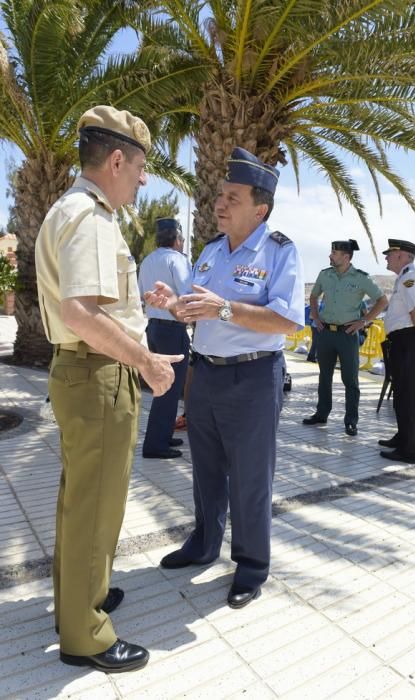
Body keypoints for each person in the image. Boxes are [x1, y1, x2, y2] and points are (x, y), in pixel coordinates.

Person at [35, 106, 183, 673]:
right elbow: (81, 312)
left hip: (85, 373)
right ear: (117, 160)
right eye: (141, 167)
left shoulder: (72, 211)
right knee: (95, 508)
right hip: (97, 376)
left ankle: (80, 598)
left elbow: (95, 306)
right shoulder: (90, 217)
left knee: (82, 502)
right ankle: (86, 635)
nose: (144, 180)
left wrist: (144, 318)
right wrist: (146, 361)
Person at [144, 147, 304, 609]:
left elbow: (288, 320)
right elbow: (197, 310)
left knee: (250, 477)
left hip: (254, 377)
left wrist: (225, 308)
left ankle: (251, 565)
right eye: (219, 195)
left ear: (260, 208)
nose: (219, 203)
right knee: (206, 469)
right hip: (207, 374)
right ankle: (204, 544)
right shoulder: (212, 252)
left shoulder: (279, 251)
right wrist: (172, 303)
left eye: (232, 197)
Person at [302, 240, 387, 436]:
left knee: (350, 380)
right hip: (325, 334)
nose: (330, 256)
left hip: (347, 335)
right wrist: (315, 315)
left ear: (346, 257)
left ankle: (351, 421)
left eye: (334, 253)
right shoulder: (325, 274)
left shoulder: (361, 278)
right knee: (324, 377)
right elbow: (314, 296)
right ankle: (321, 414)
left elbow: (382, 300)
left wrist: (364, 321)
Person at [378, 239, 415, 464]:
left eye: (389, 254)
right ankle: (402, 437)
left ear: (402, 256)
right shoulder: (406, 278)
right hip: (405, 340)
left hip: (409, 341)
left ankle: (408, 450)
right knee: (402, 392)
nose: (386, 258)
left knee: (408, 395)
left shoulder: (409, 278)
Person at [138, 218, 192, 459]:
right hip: (172, 328)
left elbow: (141, 293)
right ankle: (155, 444)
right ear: (177, 239)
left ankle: (162, 436)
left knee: (163, 385)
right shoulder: (177, 260)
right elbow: (187, 293)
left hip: (154, 327)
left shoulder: (148, 260)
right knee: (170, 387)